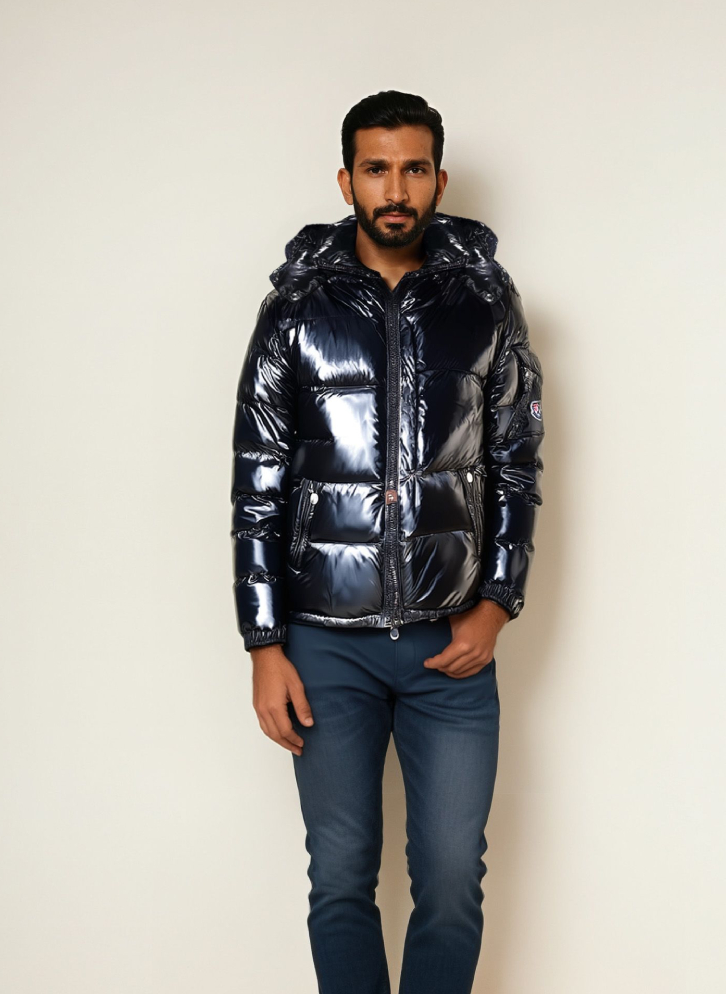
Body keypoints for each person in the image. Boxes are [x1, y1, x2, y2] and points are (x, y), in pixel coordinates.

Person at [230, 89, 545, 994]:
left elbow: (516, 462)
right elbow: (257, 478)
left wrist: (497, 603)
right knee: (340, 880)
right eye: (377, 169)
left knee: (450, 880)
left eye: (413, 169)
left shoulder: (485, 302)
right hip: (324, 645)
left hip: (450, 644)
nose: (395, 189)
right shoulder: (295, 309)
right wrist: (263, 643)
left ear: (440, 180)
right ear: (347, 181)